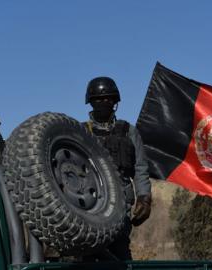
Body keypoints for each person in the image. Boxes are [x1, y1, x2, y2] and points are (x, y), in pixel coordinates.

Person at [84, 76, 152, 260]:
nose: (104, 103)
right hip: (91, 202)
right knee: (90, 253)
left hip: (121, 200)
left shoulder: (129, 131)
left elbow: (140, 168)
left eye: (108, 99)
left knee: (120, 251)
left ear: (115, 102)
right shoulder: (81, 131)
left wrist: (144, 198)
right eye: (98, 100)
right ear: (90, 103)